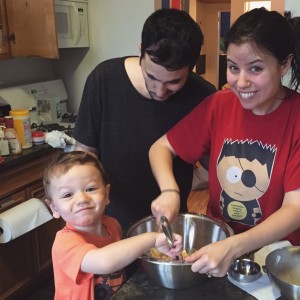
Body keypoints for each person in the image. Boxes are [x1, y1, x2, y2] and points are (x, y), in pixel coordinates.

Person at [148, 8, 300, 278]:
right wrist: (170, 191)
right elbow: (161, 147)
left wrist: (232, 247)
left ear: (284, 64)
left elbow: (294, 209)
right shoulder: (220, 105)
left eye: (255, 68)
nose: (241, 82)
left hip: (279, 260)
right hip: (218, 246)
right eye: (233, 67)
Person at [73, 8, 216, 230]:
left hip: (170, 223)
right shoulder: (104, 79)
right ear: (141, 51)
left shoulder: (203, 95)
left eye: (174, 82)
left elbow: (215, 163)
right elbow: (84, 153)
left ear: (192, 66)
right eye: (152, 76)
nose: (160, 91)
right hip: (109, 222)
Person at [43, 151, 182, 300]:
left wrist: (157, 247)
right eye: (67, 195)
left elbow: (121, 257)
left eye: (90, 189)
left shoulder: (112, 225)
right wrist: (153, 240)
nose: (82, 199)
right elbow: (105, 262)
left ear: (106, 194)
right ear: (54, 208)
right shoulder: (65, 243)